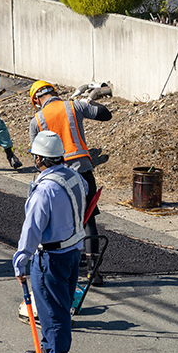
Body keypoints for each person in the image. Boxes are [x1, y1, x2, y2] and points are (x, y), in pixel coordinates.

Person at [13, 131, 88, 353]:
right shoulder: (75, 177)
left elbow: (32, 228)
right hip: (73, 250)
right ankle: (48, 346)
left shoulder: (44, 190)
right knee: (54, 305)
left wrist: (21, 259)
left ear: (39, 159)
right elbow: (86, 192)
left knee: (53, 307)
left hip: (51, 257)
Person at [29, 81, 112, 285]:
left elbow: (37, 158)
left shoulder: (37, 120)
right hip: (83, 171)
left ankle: (61, 267)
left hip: (57, 177)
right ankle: (94, 272)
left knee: (60, 220)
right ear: (54, 93)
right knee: (89, 218)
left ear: (37, 100)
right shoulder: (74, 106)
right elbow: (105, 114)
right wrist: (88, 101)